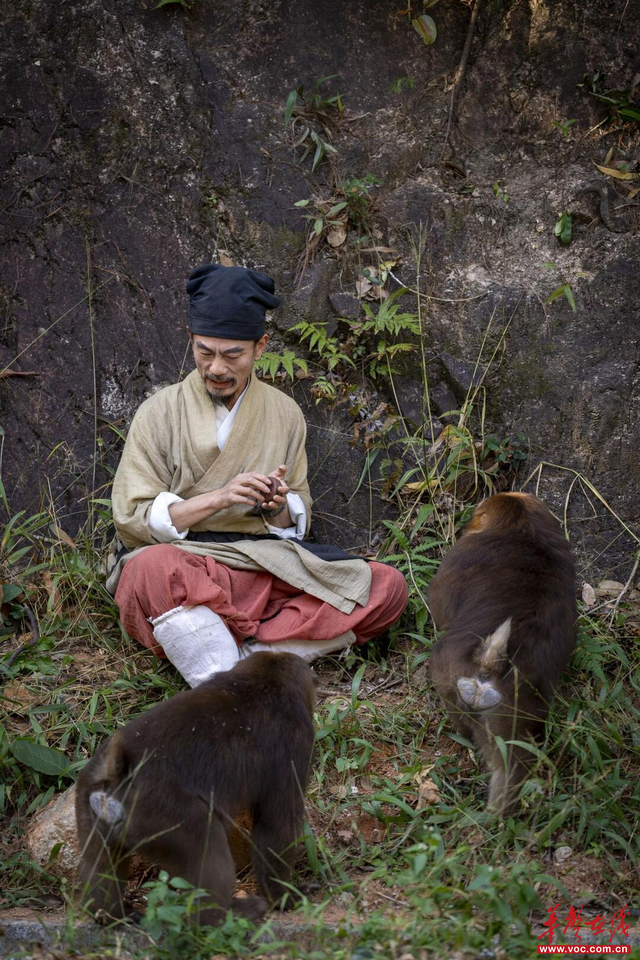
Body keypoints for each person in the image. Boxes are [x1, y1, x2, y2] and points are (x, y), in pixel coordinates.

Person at [107, 263, 408, 687]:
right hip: (188, 564)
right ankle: (226, 685)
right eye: (204, 352)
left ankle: (253, 656)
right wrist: (220, 497)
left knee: (384, 586)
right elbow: (133, 519)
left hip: (262, 565)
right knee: (151, 571)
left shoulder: (285, 413)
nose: (216, 367)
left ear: (260, 346)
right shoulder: (159, 413)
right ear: (191, 340)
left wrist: (278, 505)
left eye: (233, 354)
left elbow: (293, 522)